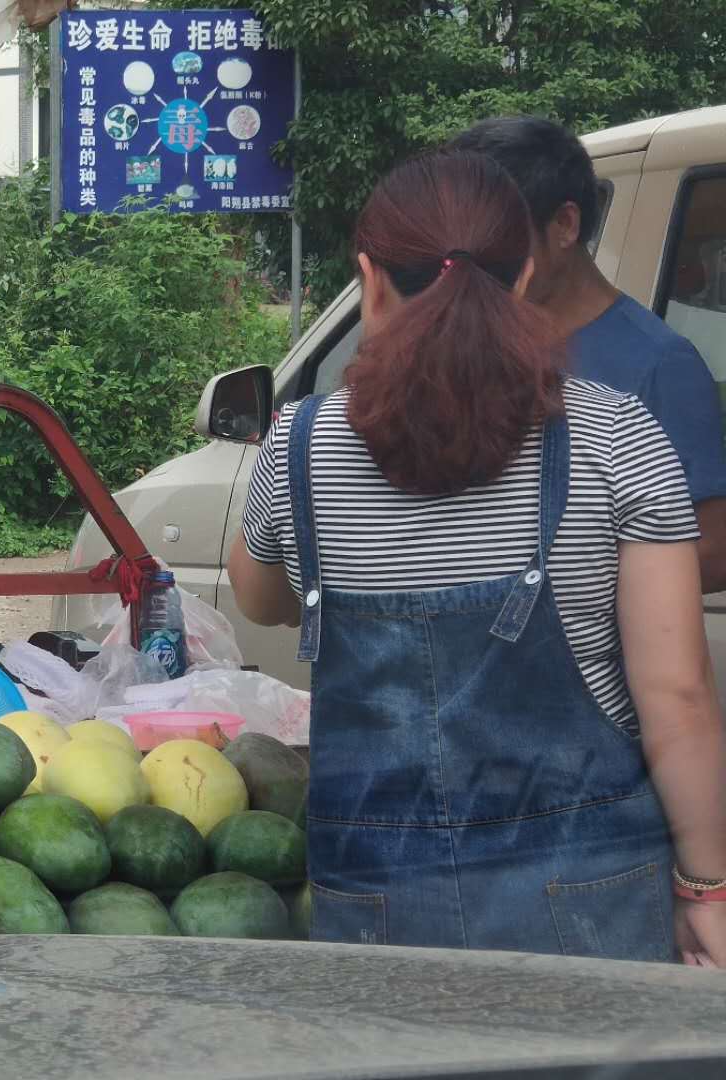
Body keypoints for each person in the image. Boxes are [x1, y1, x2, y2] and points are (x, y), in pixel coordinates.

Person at [227, 150, 726, 965]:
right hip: (591, 891)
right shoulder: (619, 436)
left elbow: (262, 598)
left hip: (375, 902)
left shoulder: (303, 445)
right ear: (527, 273)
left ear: (369, 280)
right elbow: (678, 695)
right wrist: (709, 888)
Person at [452, 116, 726, 593]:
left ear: (564, 224)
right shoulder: (468, 342)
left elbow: (715, 550)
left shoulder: (660, 366)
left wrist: (552, 583)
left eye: (496, 235)